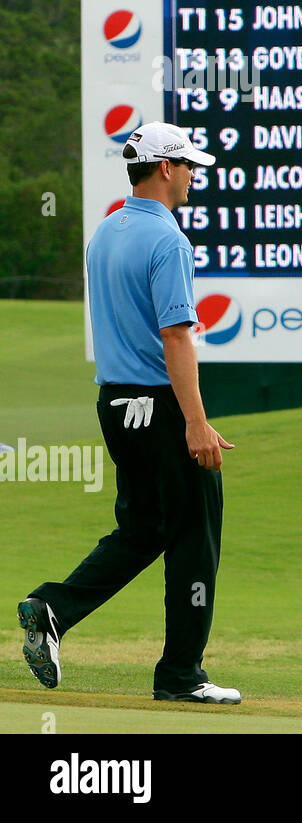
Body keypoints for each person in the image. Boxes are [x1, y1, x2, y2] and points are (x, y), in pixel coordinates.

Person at [18, 121, 240, 704]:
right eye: (189, 165)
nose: (194, 176)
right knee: (195, 531)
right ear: (165, 168)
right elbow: (174, 336)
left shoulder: (105, 232)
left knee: (144, 528)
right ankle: (181, 674)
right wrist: (195, 421)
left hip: (114, 404)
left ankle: (53, 609)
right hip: (158, 404)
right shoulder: (168, 241)